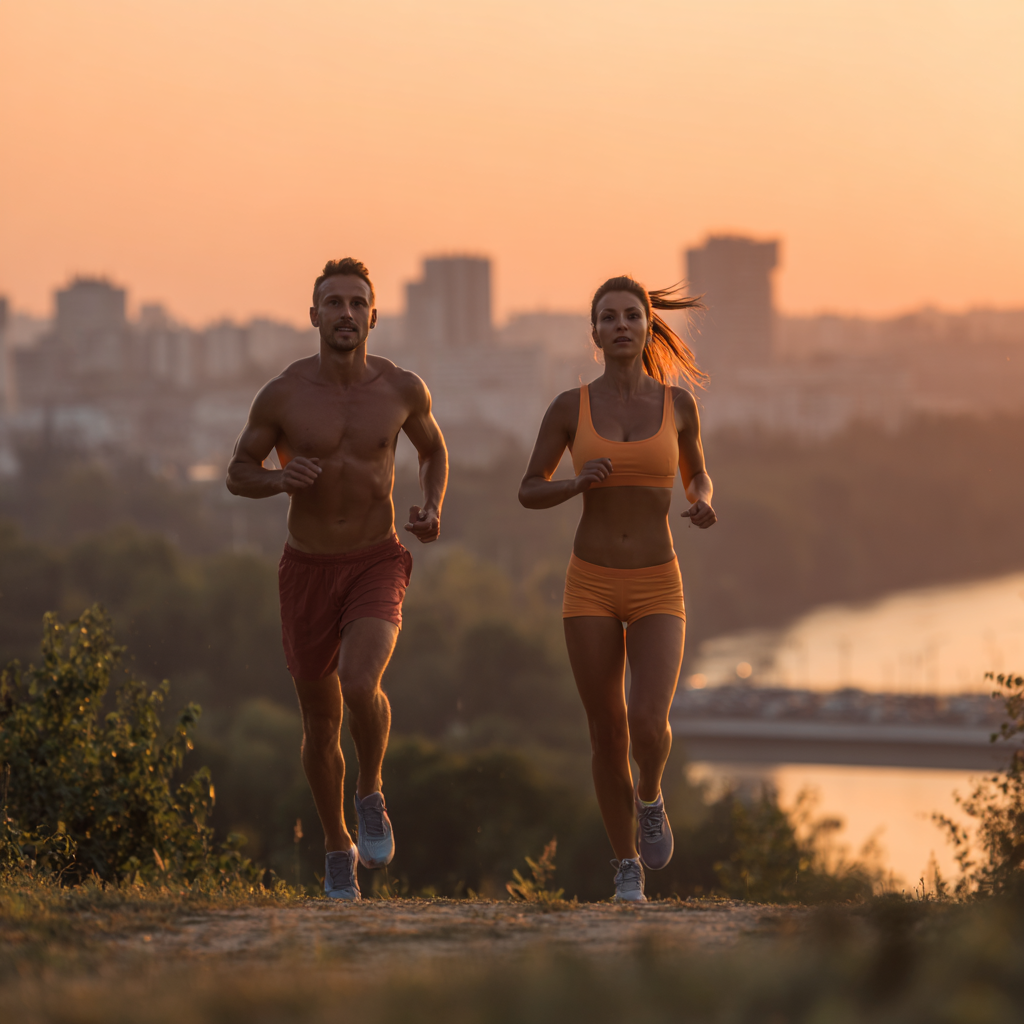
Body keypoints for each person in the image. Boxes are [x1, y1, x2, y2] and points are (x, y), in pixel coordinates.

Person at [226, 258, 448, 901]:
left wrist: (433, 507)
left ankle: (370, 791)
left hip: (377, 558)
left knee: (359, 680)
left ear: (374, 315)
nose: (346, 313)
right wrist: (277, 479)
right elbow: (239, 470)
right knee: (320, 725)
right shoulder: (284, 394)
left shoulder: (403, 388)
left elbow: (432, 451)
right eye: (334, 303)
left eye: (357, 303)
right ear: (315, 313)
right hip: (307, 569)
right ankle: (335, 847)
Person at [518, 276, 716, 901]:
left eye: (634, 315)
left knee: (647, 723)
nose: (623, 324)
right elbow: (529, 488)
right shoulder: (568, 408)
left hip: (659, 582)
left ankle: (650, 795)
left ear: (649, 326)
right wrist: (576, 486)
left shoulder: (678, 405)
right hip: (592, 585)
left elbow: (700, 476)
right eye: (610, 317)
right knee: (606, 731)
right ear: (596, 332)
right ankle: (626, 863)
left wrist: (703, 502)